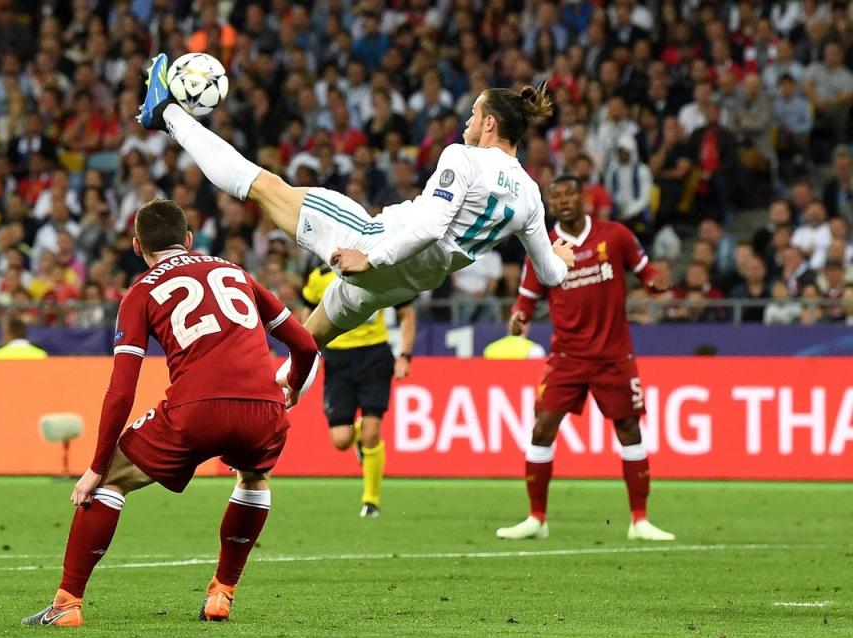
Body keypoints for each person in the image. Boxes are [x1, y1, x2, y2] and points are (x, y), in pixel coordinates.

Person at [138, 54, 574, 353]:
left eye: (475, 115)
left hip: (374, 244)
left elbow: (430, 228)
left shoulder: (464, 158)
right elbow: (551, 274)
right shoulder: (530, 194)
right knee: (304, 349)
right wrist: (561, 257)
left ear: (491, 124)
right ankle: (271, 405)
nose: (468, 121)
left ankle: (167, 114)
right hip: (400, 287)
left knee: (264, 187)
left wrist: (370, 257)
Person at [22, 199, 319, 627]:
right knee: (254, 477)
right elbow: (306, 346)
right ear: (189, 240)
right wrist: (291, 385)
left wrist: (97, 465)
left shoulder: (140, 292)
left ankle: (67, 604)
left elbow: (122, 390)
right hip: (264, 408)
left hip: (195, 409)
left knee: (110, 482)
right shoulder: (236, 272)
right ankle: (221, 594)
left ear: (137, 245)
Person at [495, 175, 675, 542]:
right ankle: (536, 518)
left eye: (569, 194)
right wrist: (519, 317)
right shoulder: (543, 246)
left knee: (629, 429)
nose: (563, 201)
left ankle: (639, 520)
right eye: (555, 195)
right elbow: (527, 299)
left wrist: (657, 280)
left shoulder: (615, 235)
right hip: (567, 356)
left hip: (613, 355)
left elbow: (646, 270)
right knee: (542, 426)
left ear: (584, 199)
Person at [301, 265, 417, 517]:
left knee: (372, 433)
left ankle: (371, 500)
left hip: (374, 354)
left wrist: (405, 355)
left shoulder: (381, 270)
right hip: (337, 359)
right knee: (341, 439)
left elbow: (407, 313)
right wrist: (307, 354)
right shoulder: (319, 276)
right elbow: (307, 313)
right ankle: (360, 439)